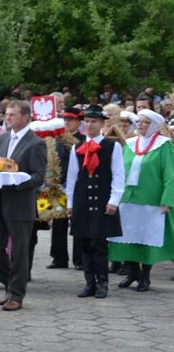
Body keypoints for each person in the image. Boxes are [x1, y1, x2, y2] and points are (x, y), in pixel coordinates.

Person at [0, 100, 48, 312]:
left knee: (20, 251)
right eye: (6, 114)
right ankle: (8, 283)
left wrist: (16, 182)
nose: (7, 117)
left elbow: (38, 177)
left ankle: (16, 295)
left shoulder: (36, 143)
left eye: (12, 114)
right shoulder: (2, 139)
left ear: (25, 117)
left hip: (20, 204)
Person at [108, 108, 174, 292]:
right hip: (127, 199)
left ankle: (145, 276)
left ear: (153, 125)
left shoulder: (164, 145)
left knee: (146, 237)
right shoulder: (128, 144)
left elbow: (170, 174)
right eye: (139, 122)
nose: (141, 125)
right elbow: (118, 171)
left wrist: (167, 199)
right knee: (127, 236)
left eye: (145, 122)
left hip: (151, 200)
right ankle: (132, 272)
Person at [65, 105, 124, 298]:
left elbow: (118, 175)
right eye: (87, 121)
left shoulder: (111, 146)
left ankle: (102, 284)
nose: (89, 125)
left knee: (99, 244)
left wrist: (114, 200)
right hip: (82, 201)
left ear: (101, 123)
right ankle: (89, 283)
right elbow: (72, 177)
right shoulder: (77, 147)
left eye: (94, 121)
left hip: (102, 201)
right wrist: (70, 204)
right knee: (83, 243)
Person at [49, 107, 85, 270]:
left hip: (77, 187)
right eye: (65, 120)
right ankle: (59, 258)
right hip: (58, 185)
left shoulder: (84, 140)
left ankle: (80, 259)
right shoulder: (56, 139)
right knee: (58, 222)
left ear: (79, 121)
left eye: (70, 120)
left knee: (77, 223)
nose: (67, 123)